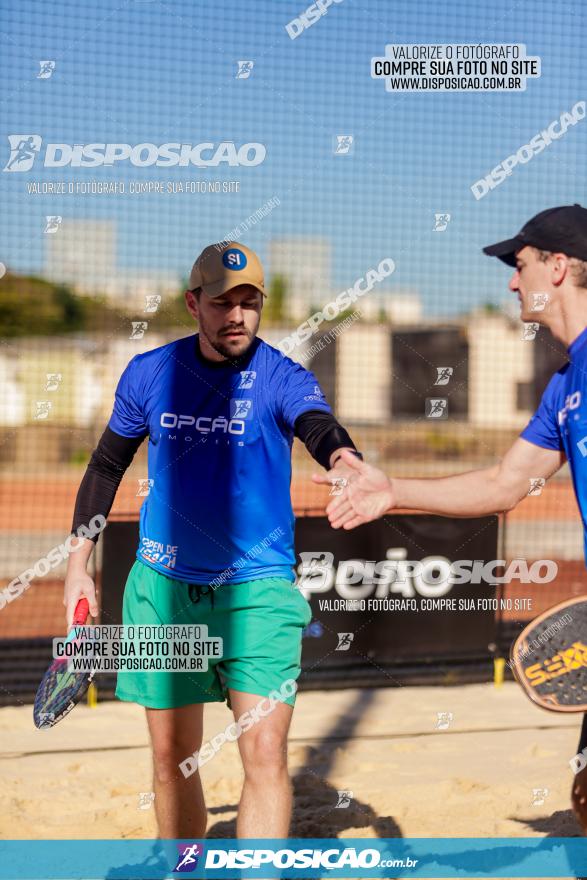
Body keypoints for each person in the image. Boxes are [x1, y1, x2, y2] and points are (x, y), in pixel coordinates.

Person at [64, 241, 363, 839]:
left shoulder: (283, 374)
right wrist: (78, 566)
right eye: (223, 303)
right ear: (193, 303)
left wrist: (346, 459)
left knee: (265, 756)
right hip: (163, 592)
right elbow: (104, 469)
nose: (237, 316)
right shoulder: (150, 373)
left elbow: (319, 425)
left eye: (249, 303)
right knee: (173, 761)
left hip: (258, 594)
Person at [313, 204, 587, 831]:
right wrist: (391, 489)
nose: (513, 282)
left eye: (520, 266)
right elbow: (503, 483)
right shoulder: (566, 383)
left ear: (560, 265)